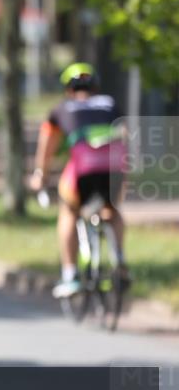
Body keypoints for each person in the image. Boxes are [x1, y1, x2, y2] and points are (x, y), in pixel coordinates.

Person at [29, 63, 128, 298]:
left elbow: (47, 148)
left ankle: (70, 274)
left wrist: (40, 176)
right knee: (111, 210)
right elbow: (125, 136)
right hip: (114, 168)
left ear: (68, 89)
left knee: (68, 212)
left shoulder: (61, 109)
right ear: (95, 86)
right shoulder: (111, 104)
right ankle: (120, 261)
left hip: (83, 170)